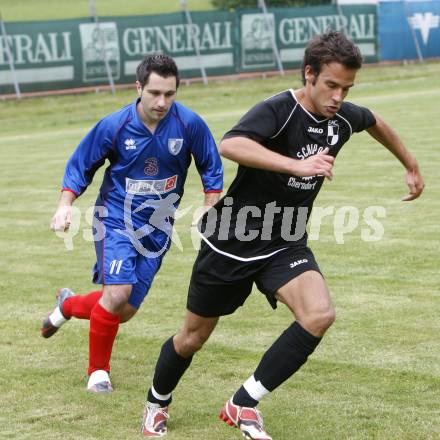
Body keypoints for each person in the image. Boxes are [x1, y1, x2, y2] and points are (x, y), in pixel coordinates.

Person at [140, 31, 425, 439]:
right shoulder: (279, 110)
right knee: (192, 338)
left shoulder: (341, 117)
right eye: (331, 85)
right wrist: (295, 166)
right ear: (309, 74)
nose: (338, 97)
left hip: (285, 240)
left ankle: (243, 402)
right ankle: (157, 402)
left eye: (346, 88)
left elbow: (374, 121)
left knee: (319, 315)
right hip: (231, 242)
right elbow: (231, 144)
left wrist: (410, 163)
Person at [41, 54, 223, 393]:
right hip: (115, 219)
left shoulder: (189, 125)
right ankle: (98, 374)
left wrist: (207, 207)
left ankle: (67, 304)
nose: (162, 101)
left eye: (169, 94)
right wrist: (65, 204)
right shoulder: (115, 125)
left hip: (157, 228)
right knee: (118, 292)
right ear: (138, 87)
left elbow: (211, 168)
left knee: (123, 310)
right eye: (154, 93)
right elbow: (81, 165)